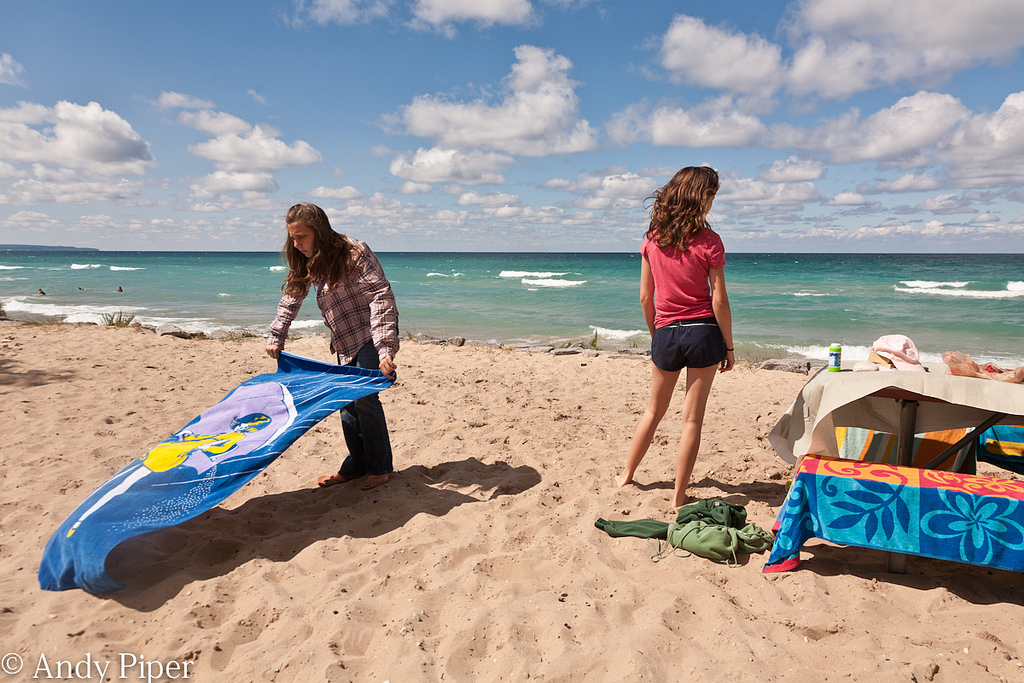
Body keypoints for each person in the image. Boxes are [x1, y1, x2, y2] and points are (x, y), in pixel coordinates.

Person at [615, 166, 735, 508]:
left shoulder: (652, 240)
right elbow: (719, 300)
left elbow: (644, 297)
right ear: (700, 198)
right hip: (704, 334)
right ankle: (678, 496)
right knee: (691, 419)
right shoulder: (710, 241)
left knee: (653, 411)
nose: (712, 202)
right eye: (711, 196)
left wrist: (658, 335)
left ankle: (626, 474)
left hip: (667, 333)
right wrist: (728, 346)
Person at [266, 203, 400, 491]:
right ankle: (357, 466)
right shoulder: (306, 258)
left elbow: (381, 296)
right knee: (346, 403)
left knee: (365, 398)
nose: (296, 243)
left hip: (369, 333)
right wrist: (277, 335)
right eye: (292, 237)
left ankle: (381, 468)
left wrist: (385, 348)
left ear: (319, 231)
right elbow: (293, 294)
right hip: (343, 338)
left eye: (301, 236)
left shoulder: (354, 252)